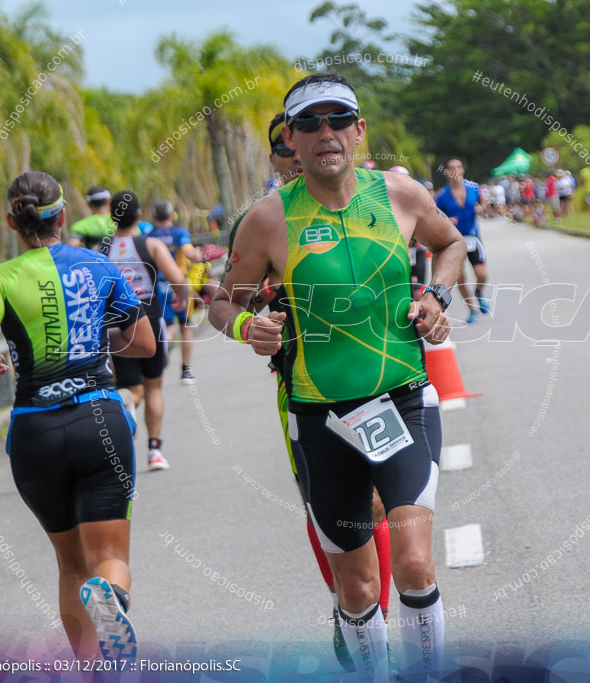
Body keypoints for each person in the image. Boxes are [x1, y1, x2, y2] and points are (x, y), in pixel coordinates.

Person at [211, 74, 466, 680]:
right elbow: (223, 301)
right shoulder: (268, 220)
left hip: (402, 399)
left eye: (337, 120)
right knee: (355, 585)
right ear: (291, 142)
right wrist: (248, 329)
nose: (325, 133)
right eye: (309, 124)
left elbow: (452, 243)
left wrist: (435, 296)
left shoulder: (400, 194)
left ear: (359, 130)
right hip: (319, 419)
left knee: (411, 563)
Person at [0, 171, 155, 662]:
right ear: (64, 216)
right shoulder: (98, 265)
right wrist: (90, 339)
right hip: (99, 419)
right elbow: (145, 344)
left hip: (34, 430)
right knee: (107, 558)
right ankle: (113, 596)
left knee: (69, 565)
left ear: (10, 221)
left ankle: (91, 672)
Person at [100, 190, 188, 471]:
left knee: (130, 388)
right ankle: (155, 451)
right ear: (139, 216)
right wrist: (181, 297)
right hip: (149, 320)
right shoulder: (151, 245)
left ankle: (125, 410)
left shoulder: (100, 251)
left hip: (117, 326)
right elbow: (177, 279)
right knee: (153, 386)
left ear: (112, 217)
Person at [149, 199, 203, 384]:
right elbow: (189, 253)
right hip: (179, 285)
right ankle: (186, 370)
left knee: (167, 325)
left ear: (154, 216)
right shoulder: (180, 232)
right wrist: (198, 254)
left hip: (159, 285)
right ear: (172, 214)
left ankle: (165, 345)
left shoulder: (150, 235)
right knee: (185, 325)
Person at [436, 157, 489, 323]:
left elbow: (483, 203)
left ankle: (479, 292)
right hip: (454, 242)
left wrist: (481, 208)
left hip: (473, 237)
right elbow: (436, 216)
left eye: (458, 167)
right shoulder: (442, 196)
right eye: (451, 168)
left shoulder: (473, 189)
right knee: (460, 279)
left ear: (463, 170)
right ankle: (472, 309)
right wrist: (446, 221)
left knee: (482, 274)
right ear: (447, 172)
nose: (455, 171)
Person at [68, 185, 115, 249]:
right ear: (109, 201)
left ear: (88, 204)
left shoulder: (80, 225)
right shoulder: (121, 221)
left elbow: (72, 246)